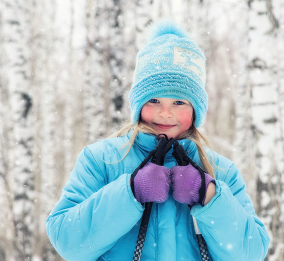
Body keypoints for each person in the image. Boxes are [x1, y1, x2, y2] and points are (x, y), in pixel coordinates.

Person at [46, 21, 270, 261]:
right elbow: (67, 240)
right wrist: (130, 191)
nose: (165, 113)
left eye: (179, 102)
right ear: (138, 104)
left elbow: (252, 252)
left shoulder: (220, 171)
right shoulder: (102, 160)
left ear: (196, 110)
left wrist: (210, 196)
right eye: (154, 100)